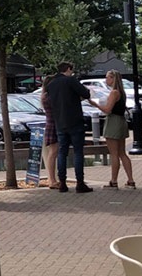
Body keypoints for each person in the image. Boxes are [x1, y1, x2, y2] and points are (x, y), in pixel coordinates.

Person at [46, 62, 95, 193]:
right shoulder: (70, 81)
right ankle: (80, 183)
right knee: (78, 152)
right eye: (71, 71)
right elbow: (86, 94)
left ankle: (62, 183)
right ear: (68, 69)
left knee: (62, 152)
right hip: (75, 121)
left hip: (60, 123)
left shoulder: (51, 85)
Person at [94, 70, 136, 189]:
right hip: (121, 121)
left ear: (113, 79)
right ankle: (130, 180)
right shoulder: (121, 92)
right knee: (122, 153)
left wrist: (95, 104)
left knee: (114, 154)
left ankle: (113, 180)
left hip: (113, 122)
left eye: (108, 77)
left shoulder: (114, 93)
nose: (106, 80)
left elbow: (107, 109)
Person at [40, 76, 60, 189]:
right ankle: (52, 180)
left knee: (53, 152)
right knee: (53, 152)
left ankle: (52, 179)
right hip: (53, 124)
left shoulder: (45, 96)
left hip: (51, 124)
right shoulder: (49, 97)